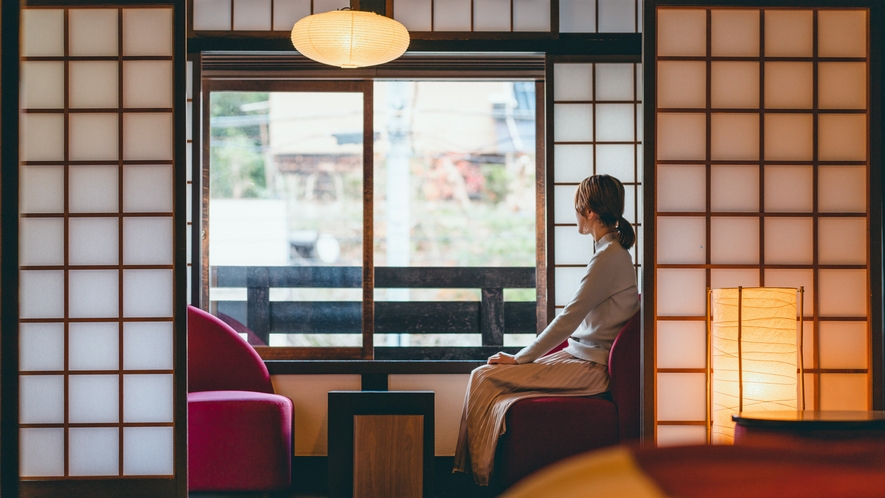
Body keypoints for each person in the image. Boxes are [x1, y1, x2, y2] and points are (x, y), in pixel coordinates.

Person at [453, 174, 640, 486]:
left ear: (590, 212)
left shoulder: (609, 258)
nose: (575, 216)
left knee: (482, 376)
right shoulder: (611, 254)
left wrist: (521, 358)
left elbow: (569, 318)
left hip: (590, 369)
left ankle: (475, 482)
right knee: (486, 379)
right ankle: (474, 475)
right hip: (578, 357)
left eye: (578, 209)